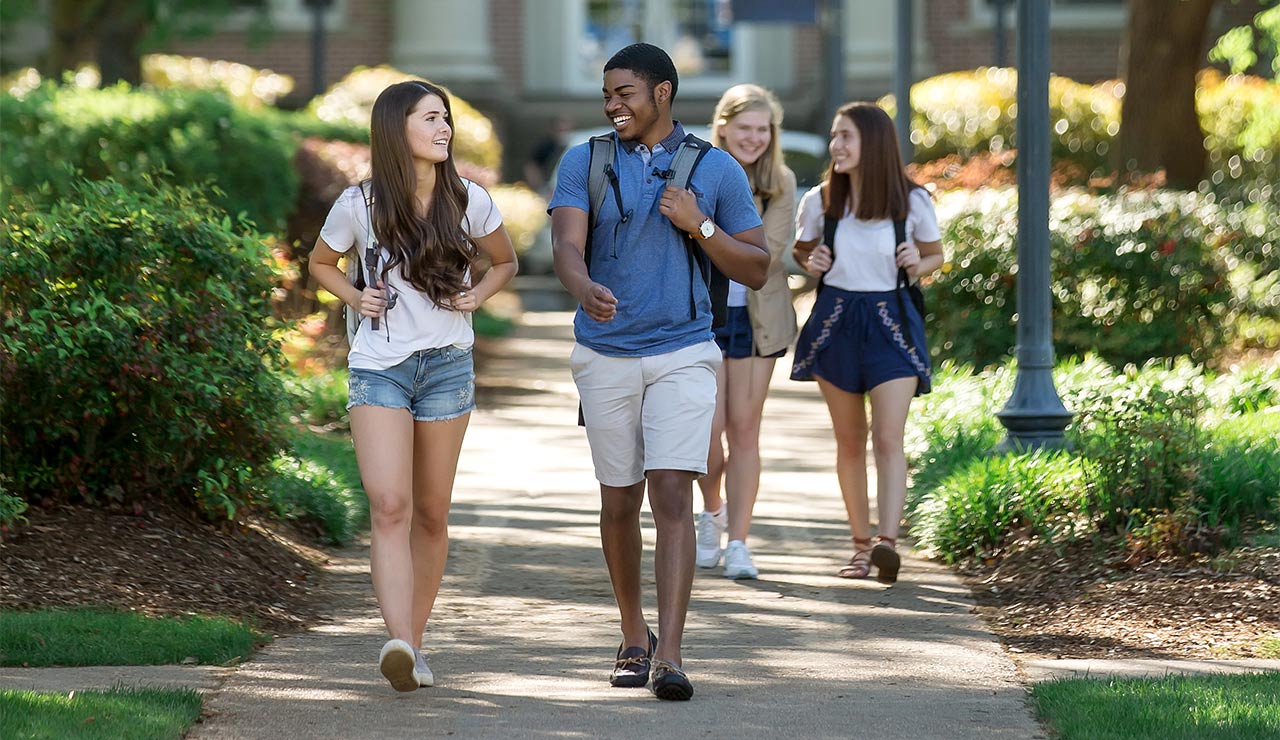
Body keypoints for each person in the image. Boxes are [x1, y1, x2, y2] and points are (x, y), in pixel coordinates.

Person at [548, 43, 768, 700]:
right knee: (619, 499)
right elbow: (565, 243)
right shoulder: (583, 160)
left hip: (685, 351)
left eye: (626, 93)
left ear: (663, 93)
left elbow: (756, 267)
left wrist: (699, 223)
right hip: (605, 353)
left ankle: (670, 655)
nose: (613, 104)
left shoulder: (716, 168)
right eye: (607, 95)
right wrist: (583, 285)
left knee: (672, 491)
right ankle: (632, 634)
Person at [308, 80, 517, 691]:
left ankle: (415, 648)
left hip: (447, 366)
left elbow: (502, 260)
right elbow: (321, 263)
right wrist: (355, 294)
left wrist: (477, 294)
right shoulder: (359, 204)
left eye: (446, 117)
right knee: (390, 505)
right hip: (380, 368)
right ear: (397, 128)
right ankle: (396, 639)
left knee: (430, 512)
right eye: (431, 118)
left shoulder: (470, 200)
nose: (444, 127)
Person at [790, 102, 943, 584]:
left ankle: (887, 546)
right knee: (849, 441)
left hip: (891, 323)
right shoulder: (819, 200)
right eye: (835, 136)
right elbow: (802, 249)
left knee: (888, 437)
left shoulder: (912, 202)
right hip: (835, 320)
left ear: (873, 144)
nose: (836, 146)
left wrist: (919, 262)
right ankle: (860, 548)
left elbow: (935, 254)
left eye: (846, 137)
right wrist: (808, 259)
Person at [695, 84, 798, 580]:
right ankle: (711, 514)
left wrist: (707, 230)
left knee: (745, 430)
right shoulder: (697, 172)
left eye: (763, 130)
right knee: (706, 435)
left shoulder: (781, 182)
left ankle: (739, 541)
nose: (754, 138)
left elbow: (768, 255)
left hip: (758, 320)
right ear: (724, 127)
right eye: (745, 129)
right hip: (704, 317)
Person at [523, 115, 573, 195]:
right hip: (548, 187)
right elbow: (531, 167)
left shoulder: (574, 144)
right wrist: (539, 187)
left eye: (565, 130)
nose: (563, 133)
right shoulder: (545, 146)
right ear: (552, 129)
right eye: (559, 130)